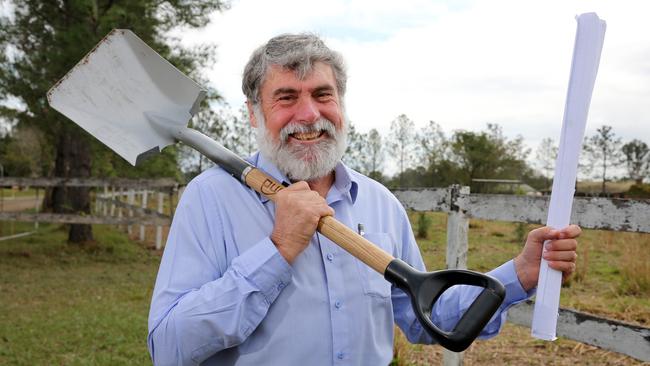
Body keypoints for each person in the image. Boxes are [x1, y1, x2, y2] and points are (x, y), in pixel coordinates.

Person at [147, 33, 580, 366]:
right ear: (253, 113)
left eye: (322, 94)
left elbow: (428, 316)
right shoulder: (209, 199)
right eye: (286, 98)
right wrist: (278, 251)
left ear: (341, 103)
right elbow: (169, 345)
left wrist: (519, 275)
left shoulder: (379, 203)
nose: (309, 115)